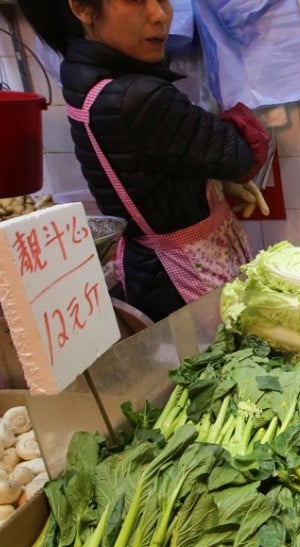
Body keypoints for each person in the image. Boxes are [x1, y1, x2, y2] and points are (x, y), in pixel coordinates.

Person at [16, 0, 269, 322]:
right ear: (82, 8)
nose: (159, 15)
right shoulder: (138, 96)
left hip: (147, 264)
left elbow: (147, 168)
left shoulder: (87, 78)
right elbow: (240, 157)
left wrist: (201, 186)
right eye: (136, 0)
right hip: (184, 276)